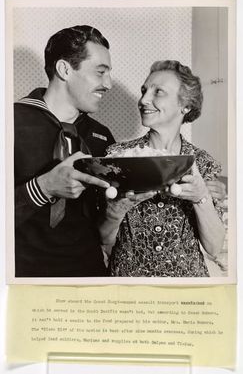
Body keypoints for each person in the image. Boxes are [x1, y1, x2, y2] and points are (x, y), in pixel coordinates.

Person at [100, 60, 226, 278]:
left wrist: (201, 197)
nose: (143, 100)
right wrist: (115, 211)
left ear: (185, 106)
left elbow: (214, 247)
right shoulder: (116, 157)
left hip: (186, 289)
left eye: (158, 92)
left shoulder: (203, 163)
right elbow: (103, 240)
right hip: (129, 286)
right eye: (144, 90)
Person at [14, 25, 115, 277]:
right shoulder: (8, 123)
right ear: (64, 70)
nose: (109, 84)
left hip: (90, 275)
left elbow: (103, 221)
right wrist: (44, 187)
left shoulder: (102, 137)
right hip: (24, 279)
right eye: (100, 72)